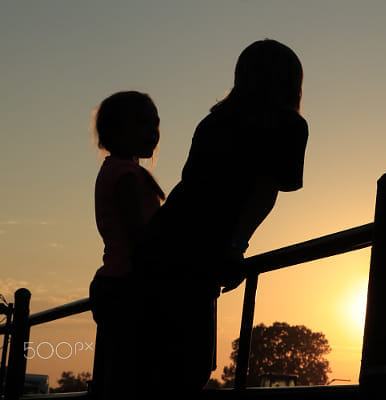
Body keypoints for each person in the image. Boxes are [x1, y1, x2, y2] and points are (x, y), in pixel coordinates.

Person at [134, 39, 308, 396]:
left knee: (153, 365)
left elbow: (193, 183)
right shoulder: (289, 125)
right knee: (188, 368)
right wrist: (235, 246)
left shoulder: (214, 120)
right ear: (292, 81)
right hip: (197, 249)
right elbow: (265, 192)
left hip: (161, 240)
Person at [88, 91, 165, 400]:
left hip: (117, 284)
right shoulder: (126, 176)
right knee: (131, 380)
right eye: (143, 124)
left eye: (156, 124)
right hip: (128, 286)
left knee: (119, 377)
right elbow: (140, 237)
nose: (153, 133)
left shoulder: (118, 171)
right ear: (117, 130)